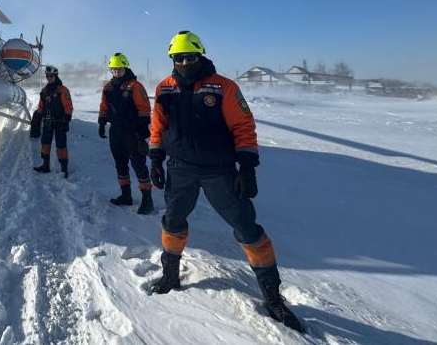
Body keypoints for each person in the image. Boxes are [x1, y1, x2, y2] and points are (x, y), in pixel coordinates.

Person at [147, 31, 303, 333]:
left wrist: (247, 168)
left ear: (200, 55)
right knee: (173, 221)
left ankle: (272, 296)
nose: (184, 62)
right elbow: (158, 126)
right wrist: (155, 157)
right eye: (178, 58)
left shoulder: (224, 88)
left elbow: (243, 127)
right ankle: (170, 274)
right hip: (180, 169)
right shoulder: (164, 89)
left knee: (247, 228)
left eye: (189, 57)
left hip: (219, 170)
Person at [98, 53, 154, 214]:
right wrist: (101, 123)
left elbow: (144, 108)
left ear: (125, 68)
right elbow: (104, 107)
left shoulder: (134, 86)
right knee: (120, 163)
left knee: (138, 164)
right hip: (115, 131)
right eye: (114, 69)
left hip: (132, 131)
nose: (116, 72)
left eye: (119, 69)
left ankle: (147, 199)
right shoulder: (108, 87)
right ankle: (126, 195)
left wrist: (142, 130)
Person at [33, 65, 73, 178]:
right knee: (45, 143)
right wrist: (38, 116)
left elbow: (68, 106)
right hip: (47, 122)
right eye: (48, 76)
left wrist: (66, 119)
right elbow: (41, 106)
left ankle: (64, 169)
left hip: (60, 122)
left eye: (51, 76)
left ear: (56, 76)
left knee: (61, 145)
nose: (49, 78)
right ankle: (45, 166)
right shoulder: (44, 90)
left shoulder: (63, 90)